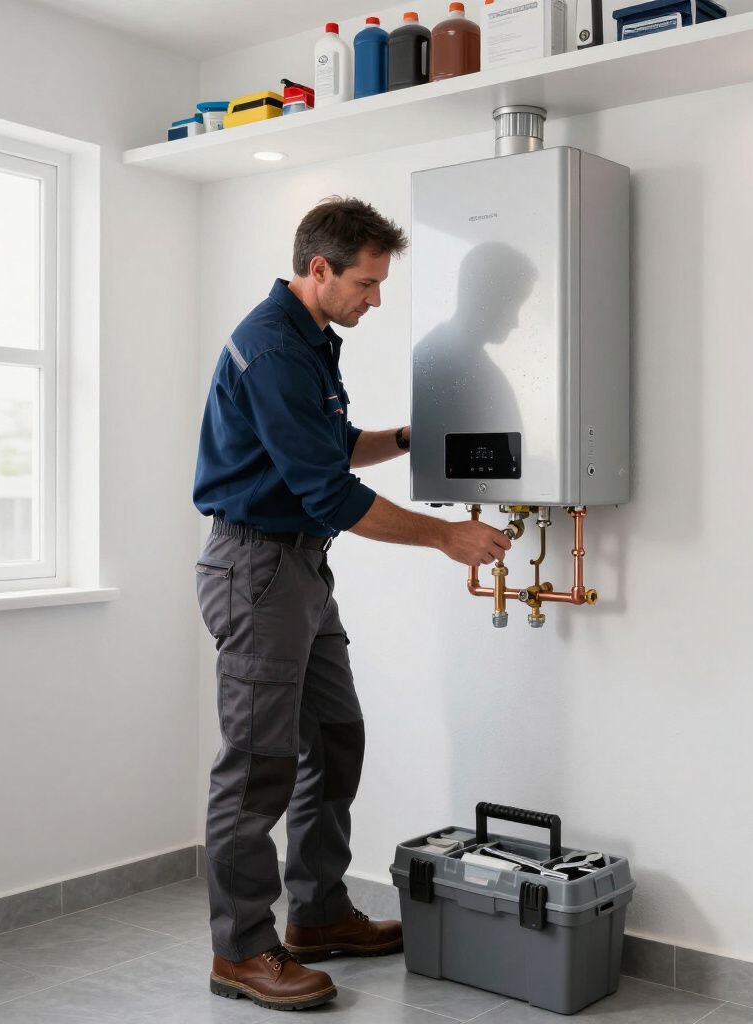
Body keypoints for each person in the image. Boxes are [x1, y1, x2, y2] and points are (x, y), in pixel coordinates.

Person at [192, 196, 510, 1011]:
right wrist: (445, 539)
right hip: (258, 570)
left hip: (299, 570)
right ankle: (242, 950)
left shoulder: (310, 341)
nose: (375, 300)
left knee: (335, 739)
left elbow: (332, 447)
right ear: (319, 269)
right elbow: (328, 491)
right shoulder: (271, 349)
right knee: (257, 765)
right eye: (366, 285)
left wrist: (408, 436)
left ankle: (319, 913)